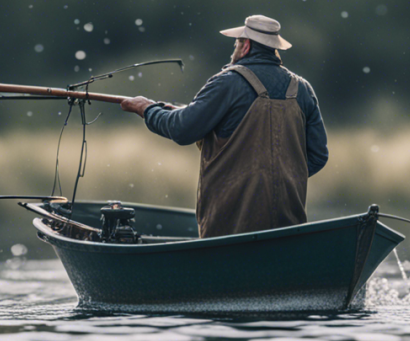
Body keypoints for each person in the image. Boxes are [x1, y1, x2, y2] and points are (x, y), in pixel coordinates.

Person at [121, 15, 329, 238]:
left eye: (236, 43)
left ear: (246, 45)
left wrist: (147, 109)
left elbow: (181, 130)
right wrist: (279, 177)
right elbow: (317, 156)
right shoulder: (303, 89)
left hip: (230, 225)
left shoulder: (227, 81)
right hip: (288, 225)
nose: (234, 50)